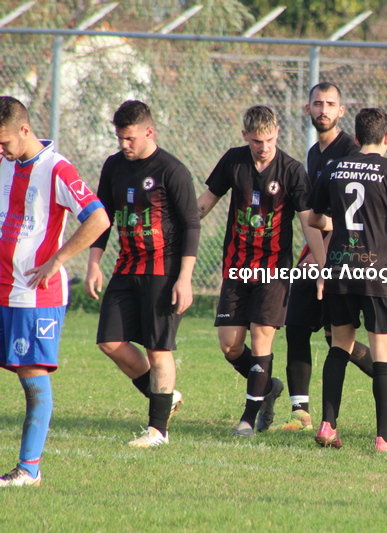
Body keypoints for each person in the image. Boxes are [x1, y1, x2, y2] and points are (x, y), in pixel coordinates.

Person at [196, 105, 325, 437]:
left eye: (269, 140)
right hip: (237, 268)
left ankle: (247, 419)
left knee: (261, 334)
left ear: (277, 133)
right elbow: (206, 201)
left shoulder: (292, 170)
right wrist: (180, 227)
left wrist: (322, 265)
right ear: (245, 136)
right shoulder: (233, 161)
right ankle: (267, 387)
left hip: (273, 270)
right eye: (256, 141)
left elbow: (309, 221)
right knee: (230, 346)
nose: (263, 147)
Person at [0, 96, 110, 486]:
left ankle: (29, 469)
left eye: (5, 142)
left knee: (33, 377)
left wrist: (58, 259)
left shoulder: (57, 169)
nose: (2, 150)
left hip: (35, 294)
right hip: (2, 287)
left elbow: (98, 218)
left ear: (24, 130)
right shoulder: (4, 163)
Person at [85, 100, 200, 448]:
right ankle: (165, 397)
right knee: (110, 342)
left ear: (149, 131)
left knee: (157, 350)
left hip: (164, 270)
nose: (124, 144)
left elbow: (191, 225)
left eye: (130, 138)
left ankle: (157, 431)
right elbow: (102, 218)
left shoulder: (171, 170)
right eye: (120, 137)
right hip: (126, 266)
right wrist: (93, 263)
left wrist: (185, 278)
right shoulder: (113, 166)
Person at [309, 107, 387, 452]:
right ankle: (385, 438)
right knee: (384, 354)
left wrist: (340, 224)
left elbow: (314, 219)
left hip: (341, 267)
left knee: (339, 345)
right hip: (378, 270)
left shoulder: (334, 166)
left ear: (355, 137)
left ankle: (327, 425)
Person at [273, 82, 378, 431]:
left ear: (341, 111)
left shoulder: (350, 151)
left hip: (345, 255)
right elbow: (316, 213)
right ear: (308, 109)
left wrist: (324, 260)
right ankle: (300, 412)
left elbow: (348, 216)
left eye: (330, 104)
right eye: (317, 104)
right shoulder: (314, 152)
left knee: (337, 337)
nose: (323, 110)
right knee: (297, 326)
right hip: (316, 251)